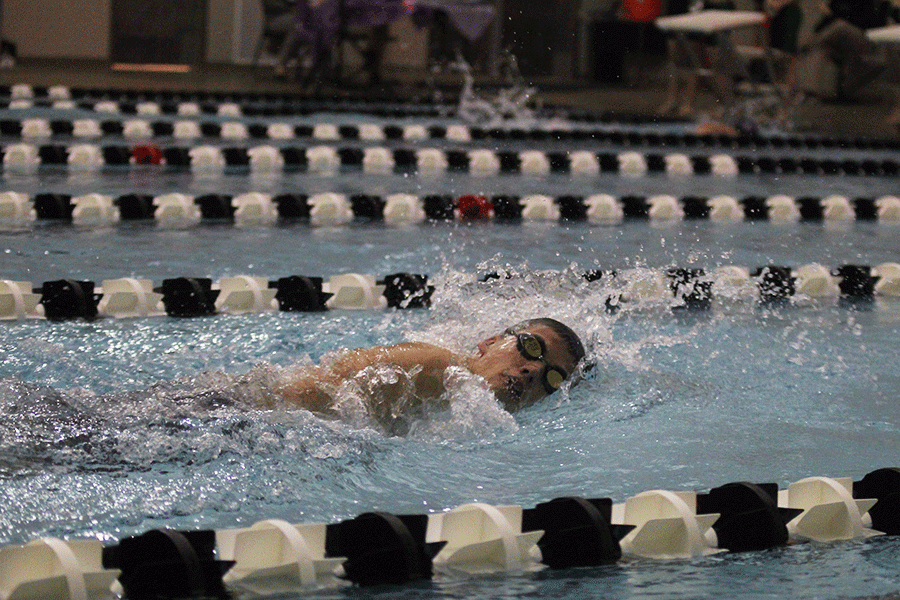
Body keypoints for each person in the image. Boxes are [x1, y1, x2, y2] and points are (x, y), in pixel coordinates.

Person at [276, 318, 586, 422]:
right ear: (489, 342)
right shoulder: (431, 369)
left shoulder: (465, 409)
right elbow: (292, 396)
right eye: (532, 347)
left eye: (553, 378)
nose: (533, 371)